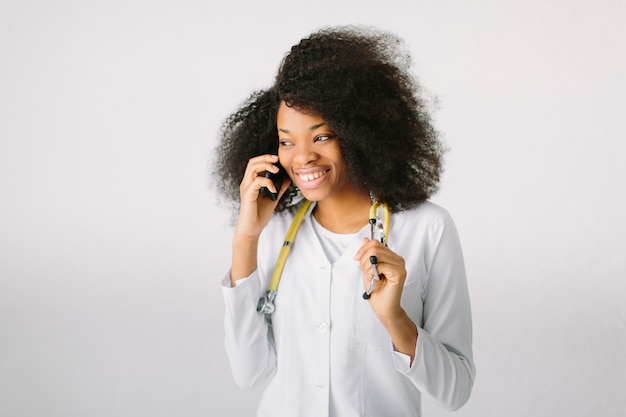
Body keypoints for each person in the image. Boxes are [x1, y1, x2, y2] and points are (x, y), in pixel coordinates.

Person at [212, 25, 475, 417]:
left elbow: (455, 391)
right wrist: (245, 239)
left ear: (358, 134)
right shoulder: (273, 231)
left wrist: (394, 318)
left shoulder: (427, 229)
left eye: (321, 137)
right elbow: (250, 374)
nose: (301, 157)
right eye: (287, 141)